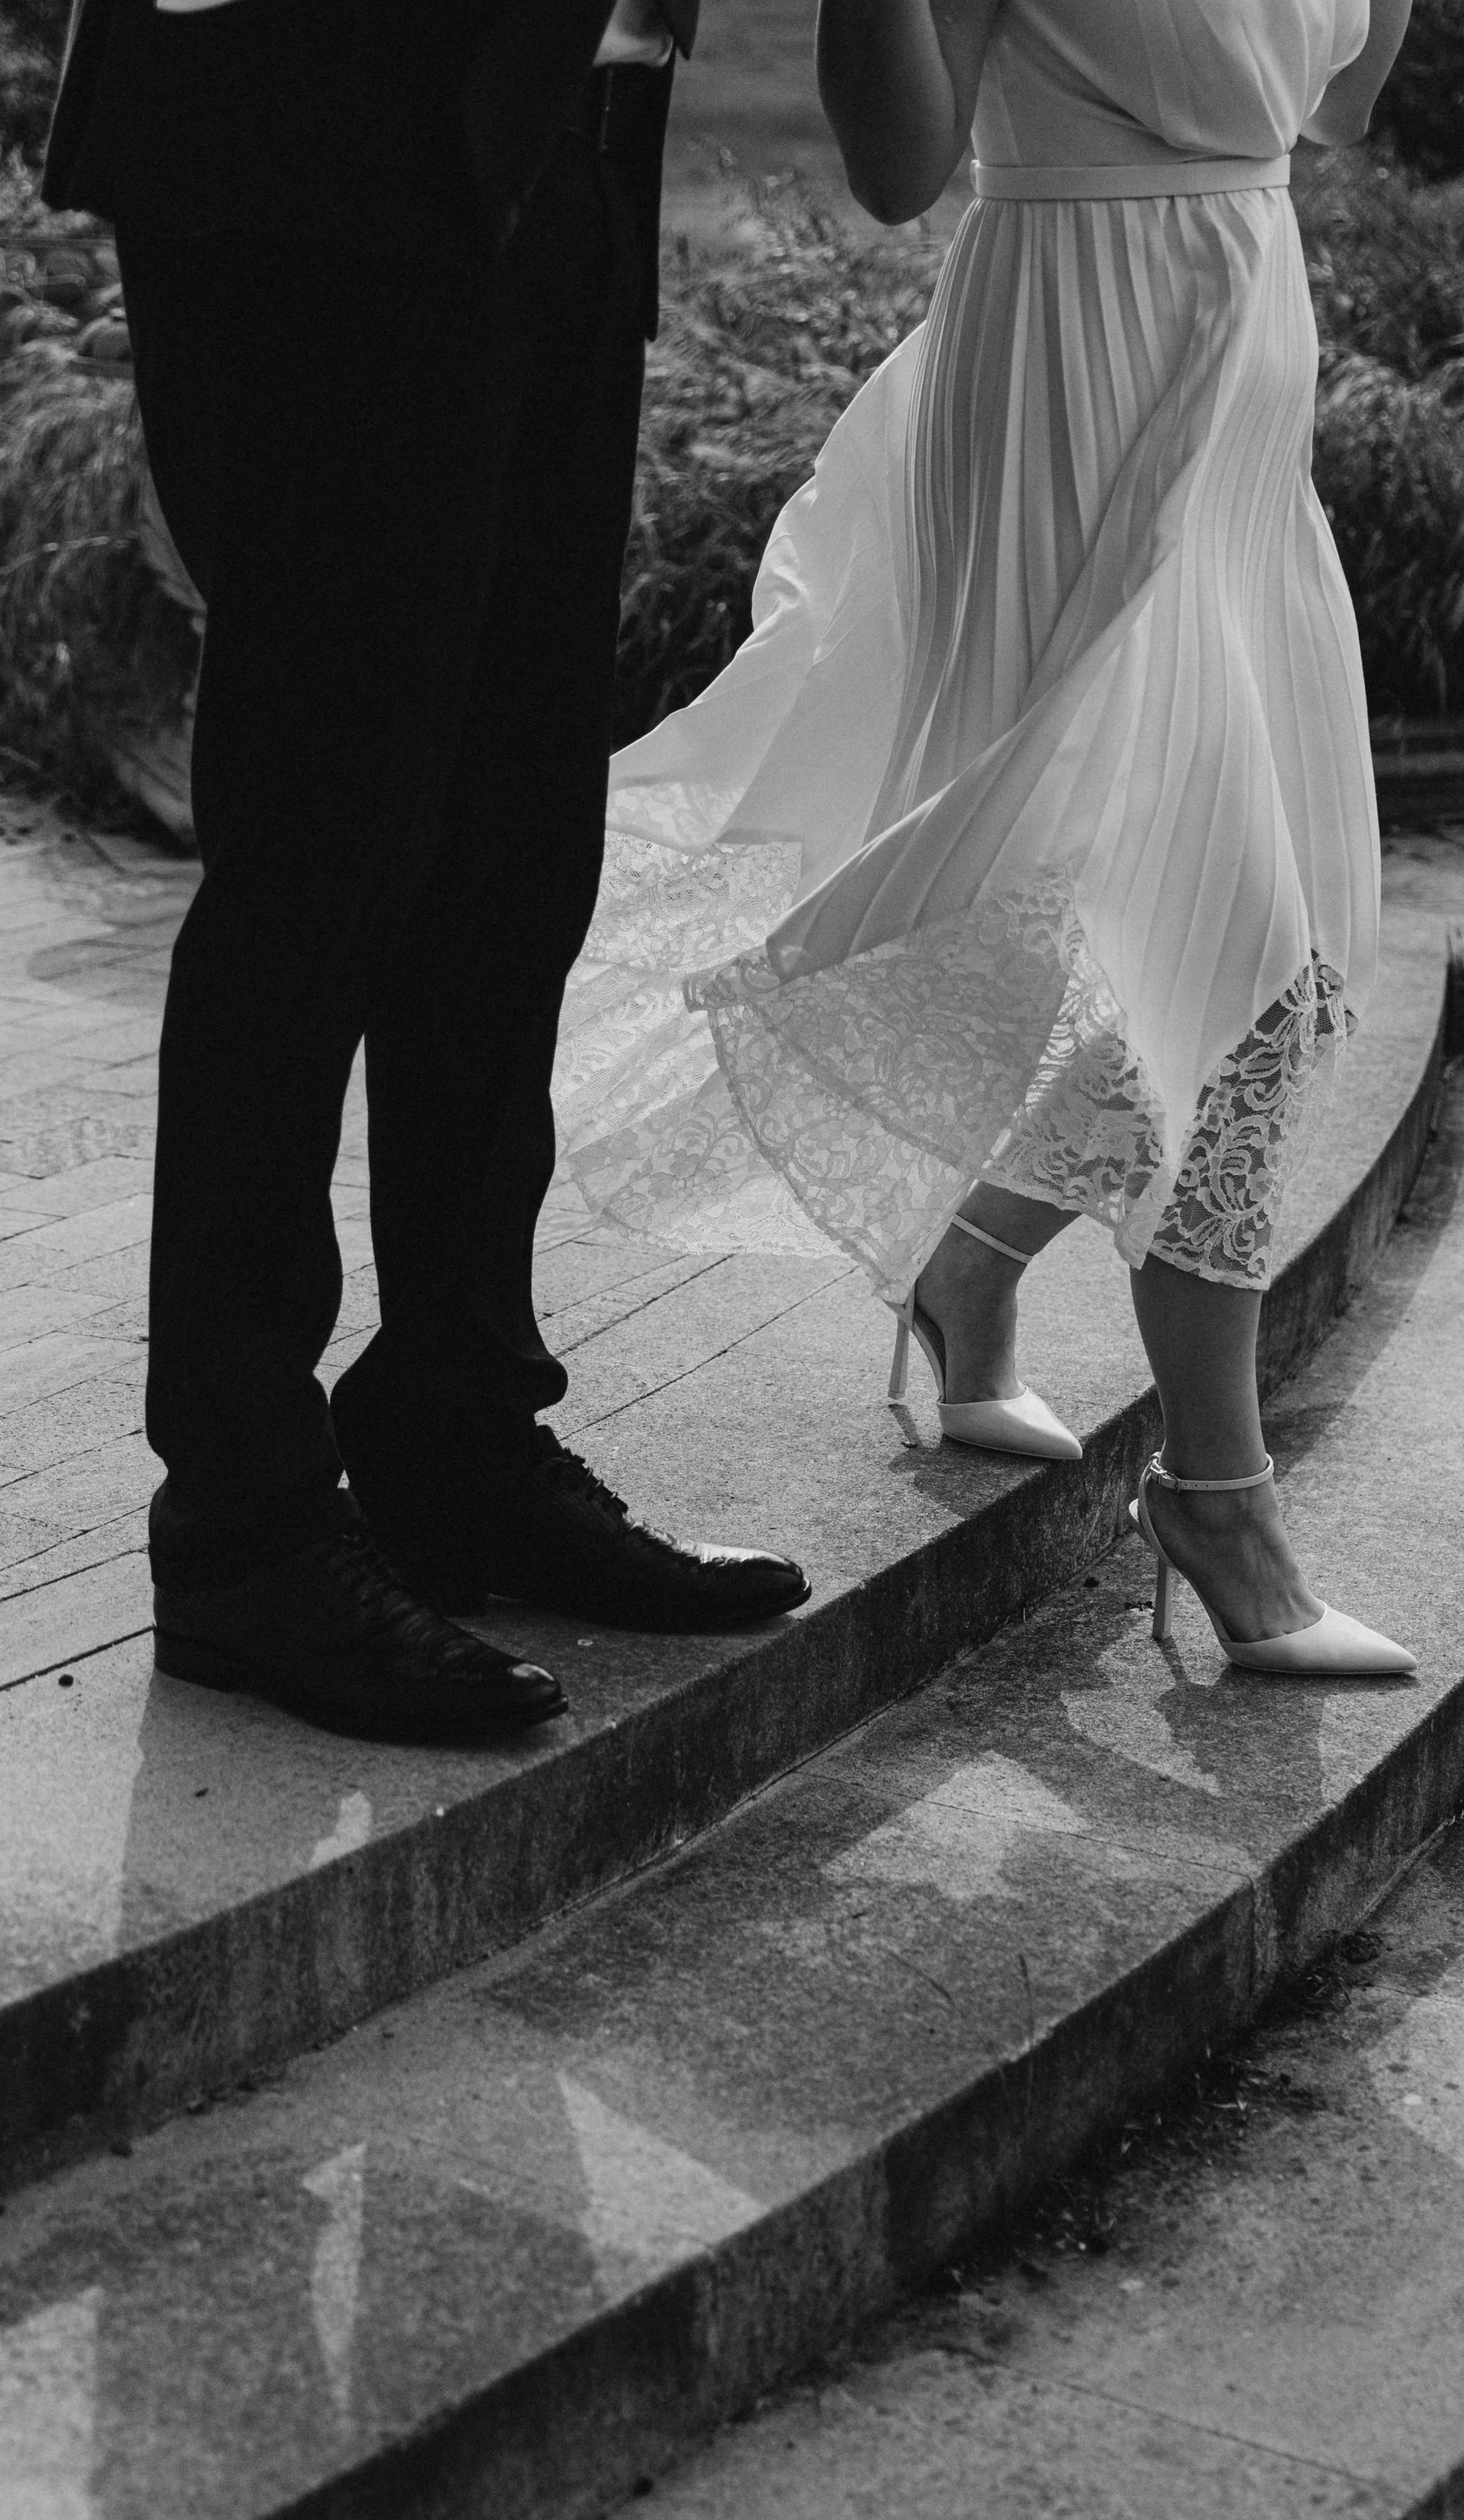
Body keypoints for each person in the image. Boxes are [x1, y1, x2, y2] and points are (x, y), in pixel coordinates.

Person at [554, 0, 1417, 1677]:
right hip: (1065, 372)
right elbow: (894, 170)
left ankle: (967, 1267)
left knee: (1258, 936)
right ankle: (1216, 1497)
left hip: (1235, 367)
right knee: (1228, 945)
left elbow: (1340, 111)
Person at [41, 0, 811, 1748]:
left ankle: (455, 1430)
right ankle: (241, 1517)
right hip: (328, 116)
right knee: (325, 842)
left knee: (509, 844)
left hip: (564, 112)